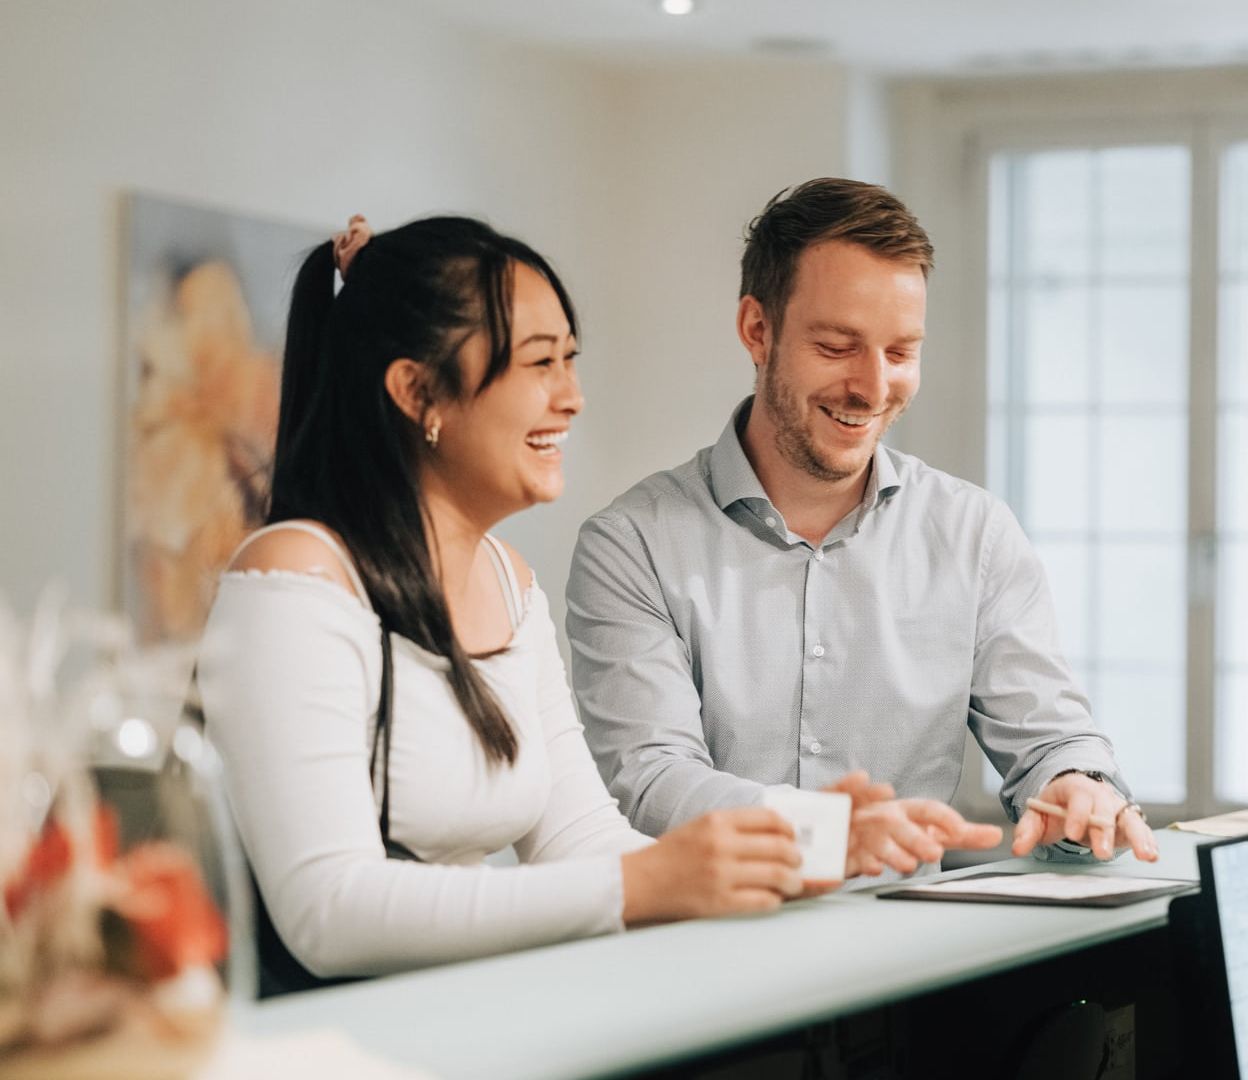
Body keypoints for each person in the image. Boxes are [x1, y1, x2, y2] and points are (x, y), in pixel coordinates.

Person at [197, 216, 810, 994]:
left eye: (571, 361)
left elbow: (580, 839)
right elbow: (329, 913)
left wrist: (816, 843)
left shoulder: (508, 580)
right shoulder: (296, 577)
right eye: (540, 363)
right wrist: (645, 885)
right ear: (419, 392)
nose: (573, 397)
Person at [567, 179, 1159, 878]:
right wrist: (823, 833)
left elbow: (1052, 740)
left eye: (901, 352)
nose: (873, 388)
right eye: (838, 346)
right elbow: (653, 778)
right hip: (710, 952)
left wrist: (1076, 788)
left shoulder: (975, 535)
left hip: (911, 960)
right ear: (758, 331)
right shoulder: (632, 545)